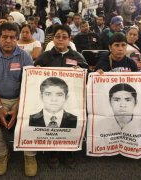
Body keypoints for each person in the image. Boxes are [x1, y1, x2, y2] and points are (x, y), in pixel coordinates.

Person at [0, 22, 37, 176]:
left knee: (32, 119)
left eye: (12, 37)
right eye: (4, 37)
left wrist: (18, 107)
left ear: (17, 39)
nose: (8, 41)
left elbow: (28, 84)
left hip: (22, 98)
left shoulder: (25, 56)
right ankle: (2, 153)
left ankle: (30, 156)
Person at [34, 24, 87, 169]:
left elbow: (87, 76)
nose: (61, 40)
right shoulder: (45, 56)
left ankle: (69, 152)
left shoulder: (77, 56)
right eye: (58, 37)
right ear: (53, 39)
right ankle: (53, 153)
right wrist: (37, 70)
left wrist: (81, 71)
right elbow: (33, 74)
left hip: (72, 100)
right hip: (51, 101)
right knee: (53, 126)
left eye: (64, 37)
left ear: (70, 39)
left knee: (69, 124)